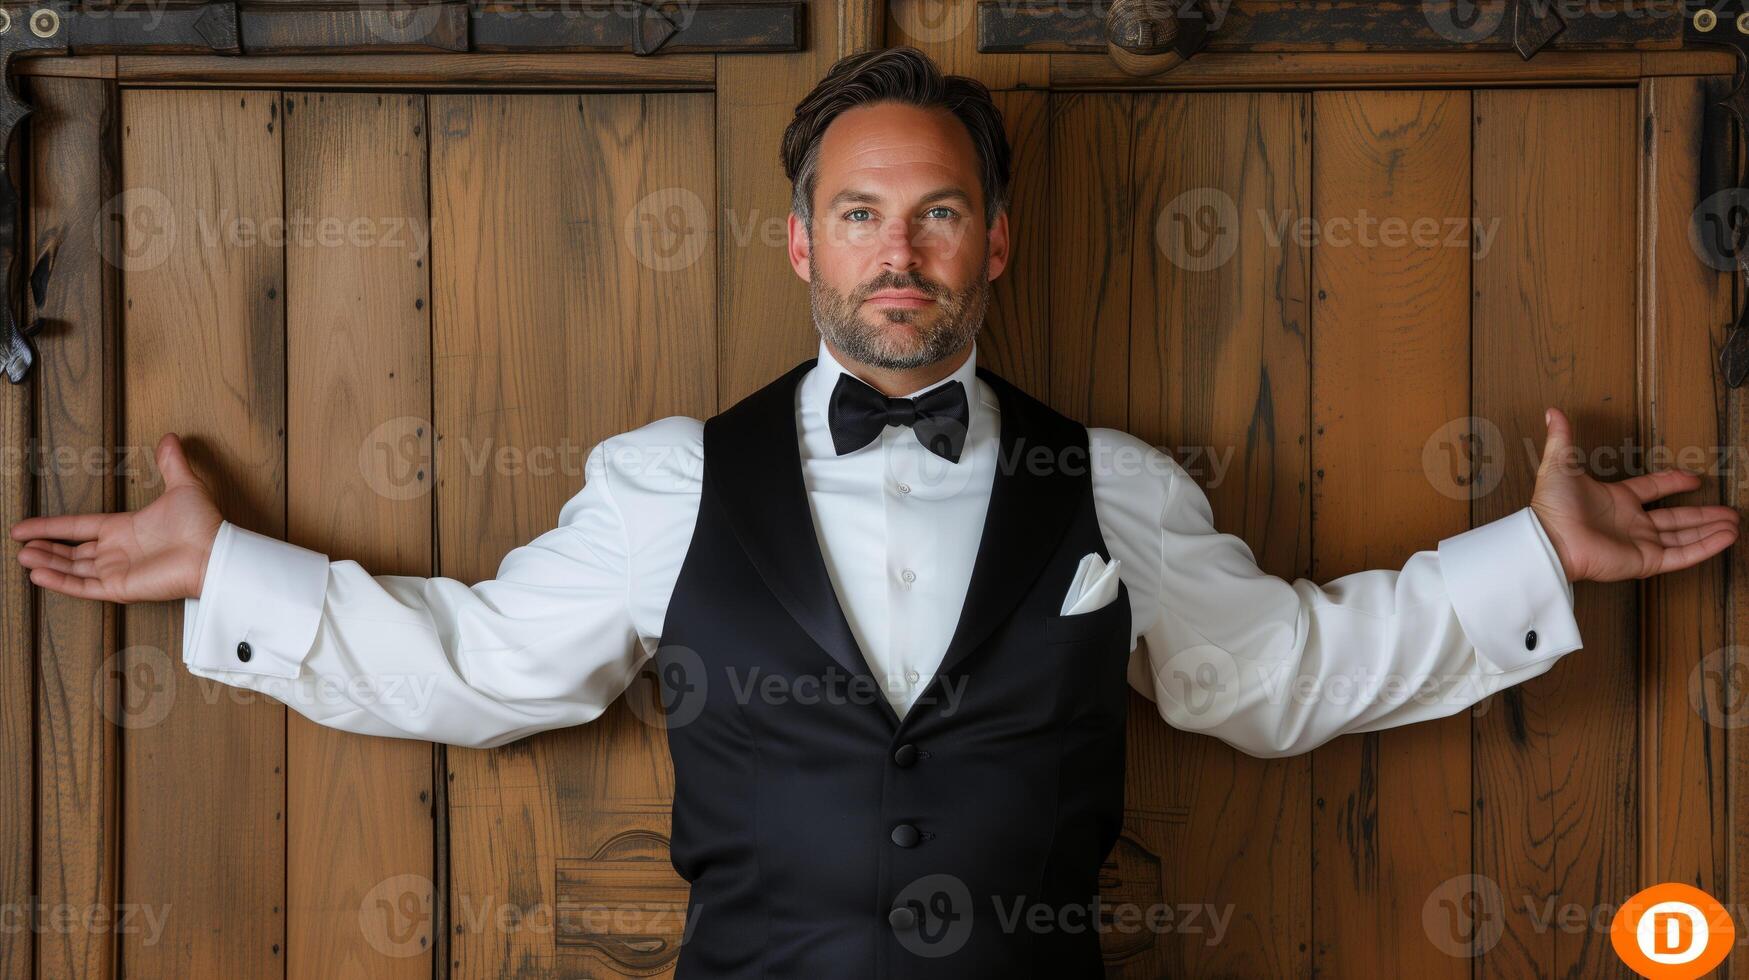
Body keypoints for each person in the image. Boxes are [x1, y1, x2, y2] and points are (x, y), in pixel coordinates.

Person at [8, 46, 1737, 979]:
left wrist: (1535, 554)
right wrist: (222, 569)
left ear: (989, 241)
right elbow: (476, 665)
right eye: (855, 214)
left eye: (933, 216)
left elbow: (1276, 675)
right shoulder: (665, 481)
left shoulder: (1112, 485)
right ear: (799, 244)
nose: (893, 254)